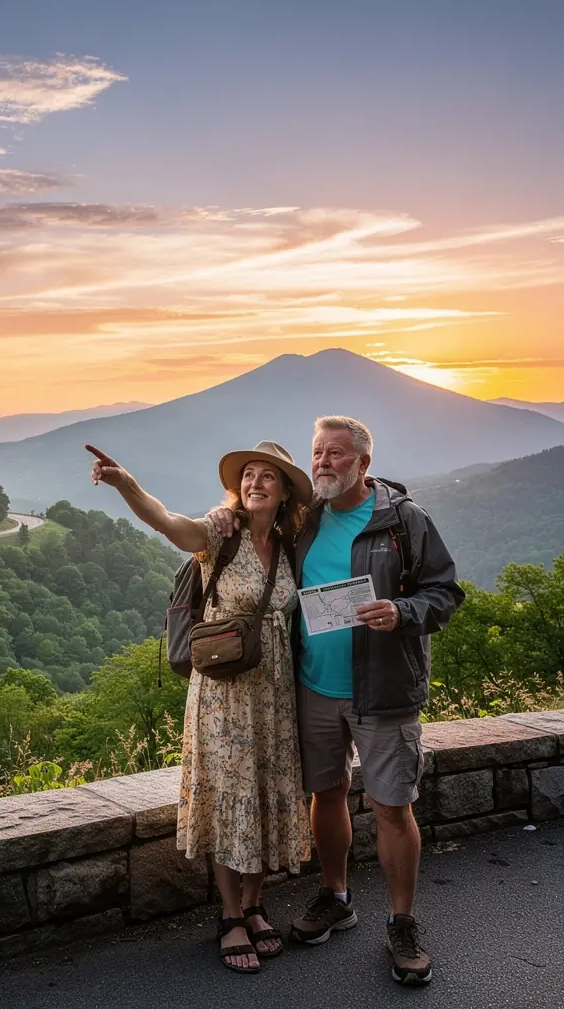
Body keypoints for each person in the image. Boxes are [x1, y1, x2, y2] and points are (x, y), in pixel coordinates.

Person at [208, 416, 465, 986]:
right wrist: (226, 512)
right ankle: (337, 895)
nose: (323, 462)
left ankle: (402, 922)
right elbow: (253, 528)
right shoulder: (305, 519)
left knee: (393, 806)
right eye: (318, 452)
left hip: (383, 691)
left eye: (337, 454)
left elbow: (445, 592)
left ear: (363, 464)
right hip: (313, 686)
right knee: (326, 796)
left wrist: (403, 613)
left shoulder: (402, 520)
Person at [87, 440, 314, 974]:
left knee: (263, 795)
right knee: (228, 797)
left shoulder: (290, 546)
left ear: (284, 494)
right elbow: (166, 522)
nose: (256, 483)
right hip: (224, 700)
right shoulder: (218, 536)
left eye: (269, 477)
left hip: (277, 699)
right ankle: (230, 915)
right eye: (249, 475)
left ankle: (257, 906)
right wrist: (125, 482)